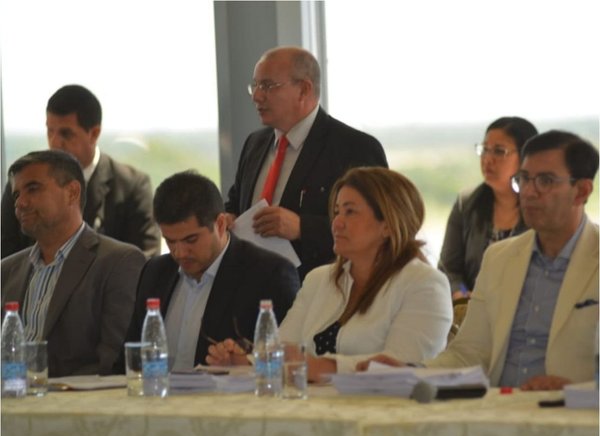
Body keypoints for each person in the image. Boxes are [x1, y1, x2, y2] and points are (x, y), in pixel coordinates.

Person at [358, 131, 599, 391]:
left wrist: (578, 390)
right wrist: (411, 371)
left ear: (582, 191)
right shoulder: (500, 258)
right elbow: (468, 354)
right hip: (498, 406)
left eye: (545, 181)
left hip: (575, 411)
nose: (529, 192)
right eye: (524, 179)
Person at [207, 167, 453, 382]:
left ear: (388, 225)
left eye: (350, 212)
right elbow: (284, 350)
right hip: (309, 410)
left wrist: (322, 367)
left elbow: (402, 366)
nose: (336, 223)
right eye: (336, 212)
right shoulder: (318, 279)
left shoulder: (425, 284)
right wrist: (244, 362)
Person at [225, 47, 388, 280]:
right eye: (255, 86)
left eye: (268, 86)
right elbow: (235, 202)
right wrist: (227, 218)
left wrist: (302, 227)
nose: (257, 96)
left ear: (304, 89)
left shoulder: (354, 148)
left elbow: (376, 227)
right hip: (251, 286)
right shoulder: (254, 143)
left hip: (323, 287)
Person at [124, 171, 300, 371]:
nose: (180, 253)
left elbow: (284, 364)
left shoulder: (269, 275)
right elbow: (130, 359)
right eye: (170, 241)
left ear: (220, 224)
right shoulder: (155, 272)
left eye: (191, 240)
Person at [1, 150, 146, 377]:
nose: (20, 203)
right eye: (16, 194)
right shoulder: (7, 270)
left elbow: (113, 362)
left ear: (72, 192)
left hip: (76, 397)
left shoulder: (119, 262)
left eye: (33, 189)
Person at [1, 84, 161, 258]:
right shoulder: (22, 183)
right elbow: (5, 255)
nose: (55, 142)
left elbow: (144, 261)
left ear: (94, 133)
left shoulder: (132, 187)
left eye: (66, 134)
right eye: (50, 131)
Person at [439, 117, 538, 299]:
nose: (487, 159)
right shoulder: (466, 203)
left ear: (526, 158)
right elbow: (448, 269)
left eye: (499, 151)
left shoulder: (542, 210)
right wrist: (462, 293)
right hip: (471, 309)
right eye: (485, 149)